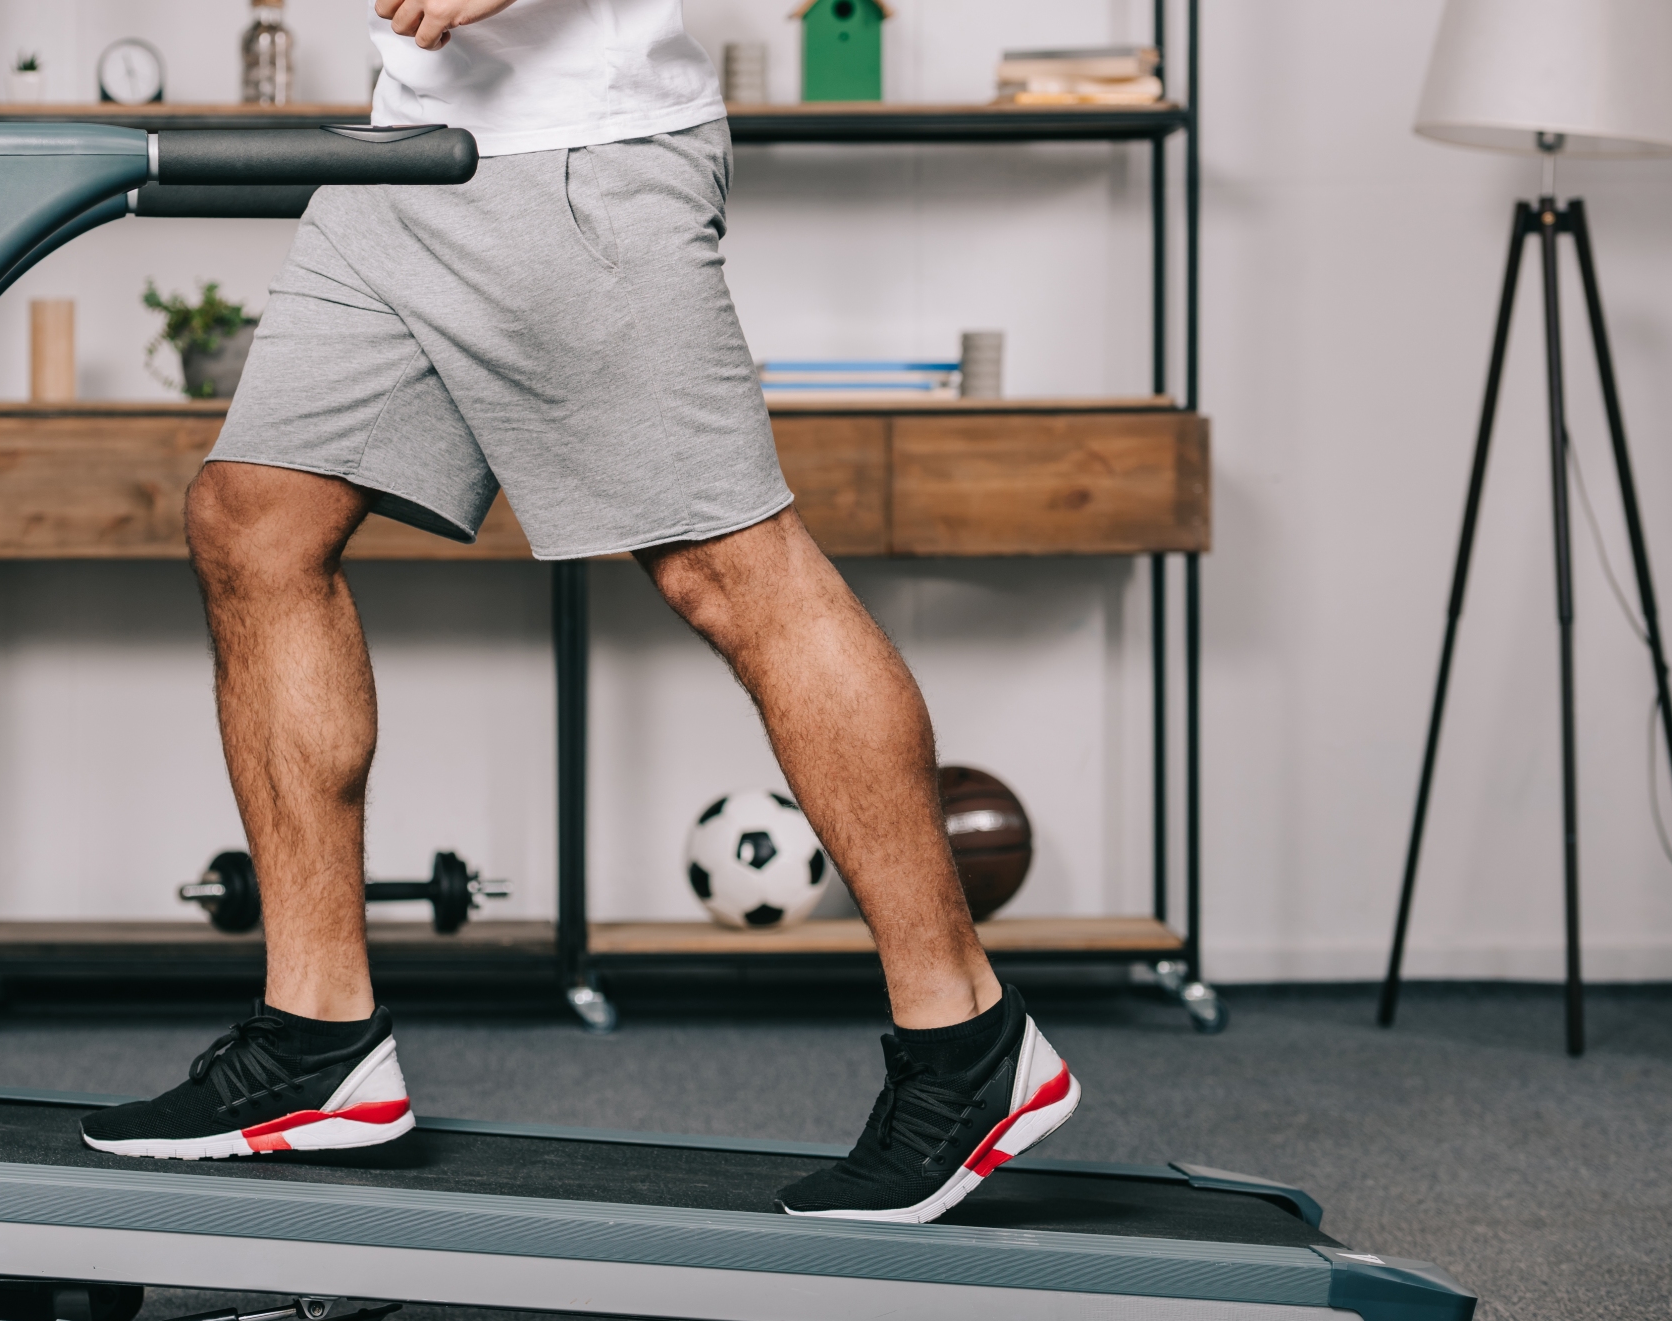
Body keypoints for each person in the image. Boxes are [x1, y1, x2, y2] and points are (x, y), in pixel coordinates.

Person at [80, 0, 1080, 1222]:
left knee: (728, 572)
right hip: (407, 155)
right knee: (252, 518)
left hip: (581, 166)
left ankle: (965, 1039)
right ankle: (315, 1041)